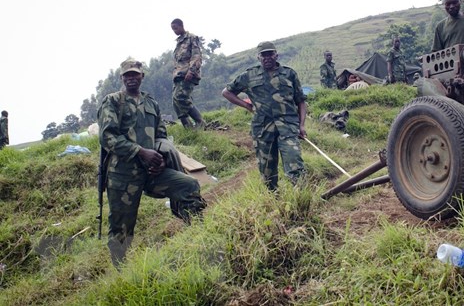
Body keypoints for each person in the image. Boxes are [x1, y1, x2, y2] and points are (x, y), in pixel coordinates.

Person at [98, 58, 206, 267]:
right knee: (122, 226)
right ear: (122, 78)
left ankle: (198, 237)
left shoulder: (151, 103)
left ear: (142, 76)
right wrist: (140, 151)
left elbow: (161, 135)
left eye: (135, 74)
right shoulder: (113, 101)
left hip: (151, 172)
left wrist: (162, 158)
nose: (131, 78)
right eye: (127, 75)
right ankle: (120, 270)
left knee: (189, 185)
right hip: (123, 175)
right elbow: (107, 137)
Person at [222, 41, 307, 191]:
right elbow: (227, 92)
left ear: (276, 55)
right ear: (258, 57)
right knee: (267, 170)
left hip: (288, 126)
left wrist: (301, 125)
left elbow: (301, 101)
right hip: (262, 129)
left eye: (270, 54)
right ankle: (273, 199)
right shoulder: (249, 75)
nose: (267, 57)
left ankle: (301, 198)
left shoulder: (289, 74)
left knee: (294, 162)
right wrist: (247, 106)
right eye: (263, 55)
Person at [171, 18, 205, 129]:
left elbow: (196, 55)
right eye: (172, 29)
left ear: (181, 26)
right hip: (179, 75)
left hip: (188, 74)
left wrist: (192, 71)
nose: (174, 31)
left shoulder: (191, 38)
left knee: (181, 98)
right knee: (175, 100)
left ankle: (200, 122)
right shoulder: (179, 42)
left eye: (175, 28)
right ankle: (188, 128)